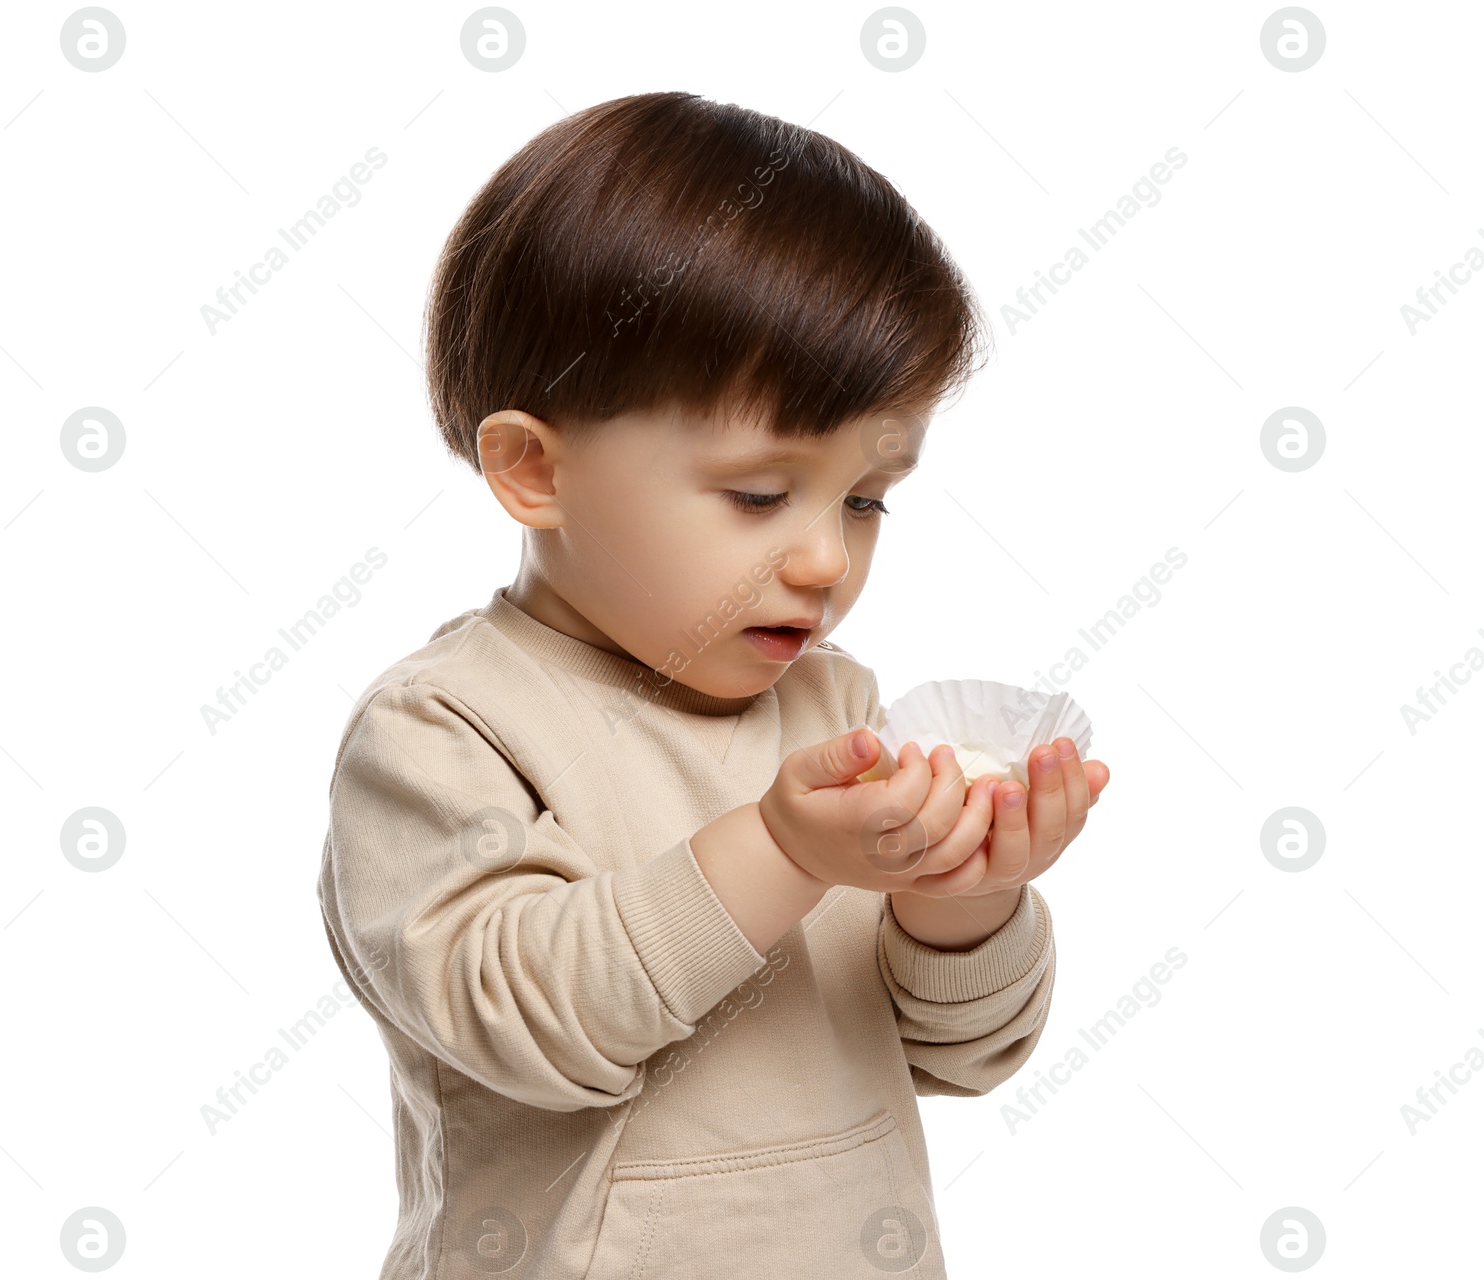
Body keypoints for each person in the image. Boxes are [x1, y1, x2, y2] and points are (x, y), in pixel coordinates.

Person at [317, 90, 1109, 1280]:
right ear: (535, 468)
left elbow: (955, 1052)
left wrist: (961, 900)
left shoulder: (832, 712)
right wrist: (785, 851)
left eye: (864, 498)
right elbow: (526, 1019)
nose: (825, 560)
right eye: (756, 495)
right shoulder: (444, 728)